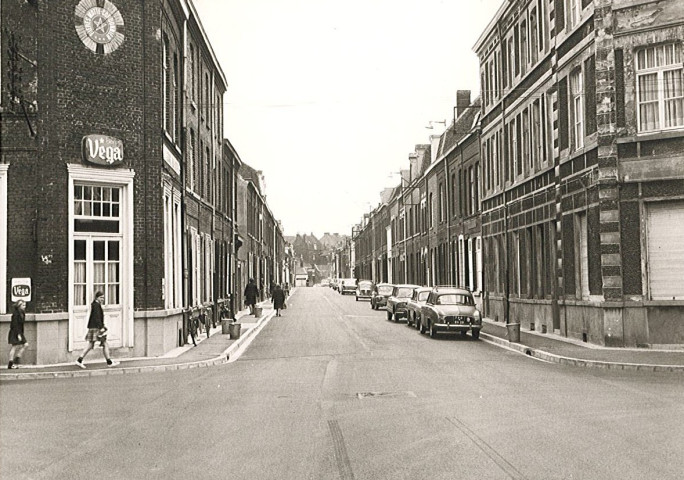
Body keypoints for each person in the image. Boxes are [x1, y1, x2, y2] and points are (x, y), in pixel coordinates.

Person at [75, 291, 119, 368]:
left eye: (103, 297)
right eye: (101, 297)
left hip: (94, 327)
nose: (102, 299)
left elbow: (97, 318)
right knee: (104, 344)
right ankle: (109, 362)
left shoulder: (95, 305)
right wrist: (101, 327)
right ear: (97, 297)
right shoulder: (96, 306)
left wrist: (102, 326)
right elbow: (97, 318)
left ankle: (79, 360)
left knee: (91, 345)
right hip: (96, 328)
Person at [7, 300, 28, 369]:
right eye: (23, 305)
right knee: (14, 347)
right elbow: (14, 325)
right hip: (15, 332)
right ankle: (11, 363)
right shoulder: (16, 314)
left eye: (25, 305)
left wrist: (21, 333)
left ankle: (17, 358)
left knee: (25, 345)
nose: (24, 307)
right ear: (19, 306)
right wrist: (18, 334)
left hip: (20, 332)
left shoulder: (22, 313)